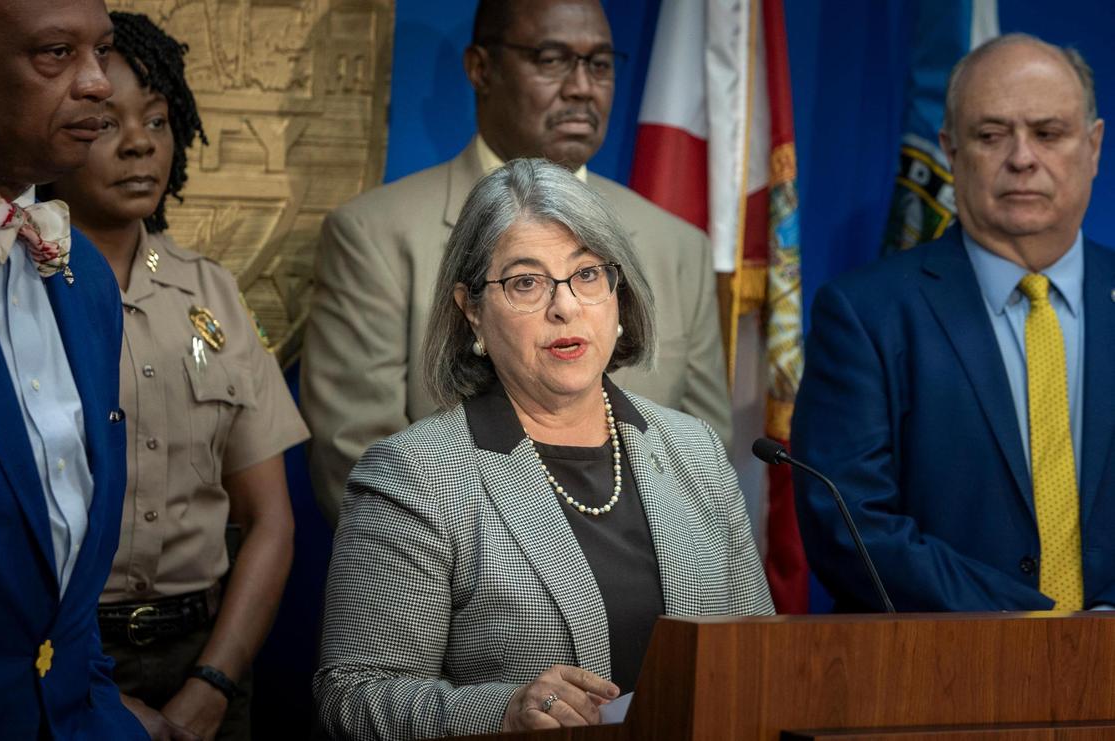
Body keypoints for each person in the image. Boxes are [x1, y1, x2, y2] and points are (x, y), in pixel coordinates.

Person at [314, 158, 773, 740]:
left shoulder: (694, 450)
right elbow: (353, 698)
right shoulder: (414, 475)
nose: (566, 306)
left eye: (586, 274)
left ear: (617, 291)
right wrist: (500, 711)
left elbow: (757, 654)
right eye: (526, 282)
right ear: (471, 310)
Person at [301, 0, 733, 526]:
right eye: (551, 59)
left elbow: (705, 471)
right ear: (480, 68)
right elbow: (359, 466)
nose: (581, 87)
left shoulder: (677, 245)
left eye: (599, 64)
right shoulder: (373, 236)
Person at [44, 12, 309, 739]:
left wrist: (213, 684)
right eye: (105, 123)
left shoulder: (214, 293)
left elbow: (269, 521)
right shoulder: (18, 288)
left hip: (209, 653)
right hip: (61, 659)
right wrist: (87, 684)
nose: (138, 143)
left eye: (157, 120)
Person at [792, 34, 1115, 612]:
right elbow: (851, 527)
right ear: (949, 149)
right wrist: (1037, 631)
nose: (1022, 157)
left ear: (1094, 146)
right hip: (934, 683)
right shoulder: (866, 314)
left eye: (1048, 133)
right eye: (992, 135)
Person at [0, 0, 154, 738]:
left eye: (102, 50)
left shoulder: (88, 280)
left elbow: (64, 587)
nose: (99, 84)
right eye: (55, 54)